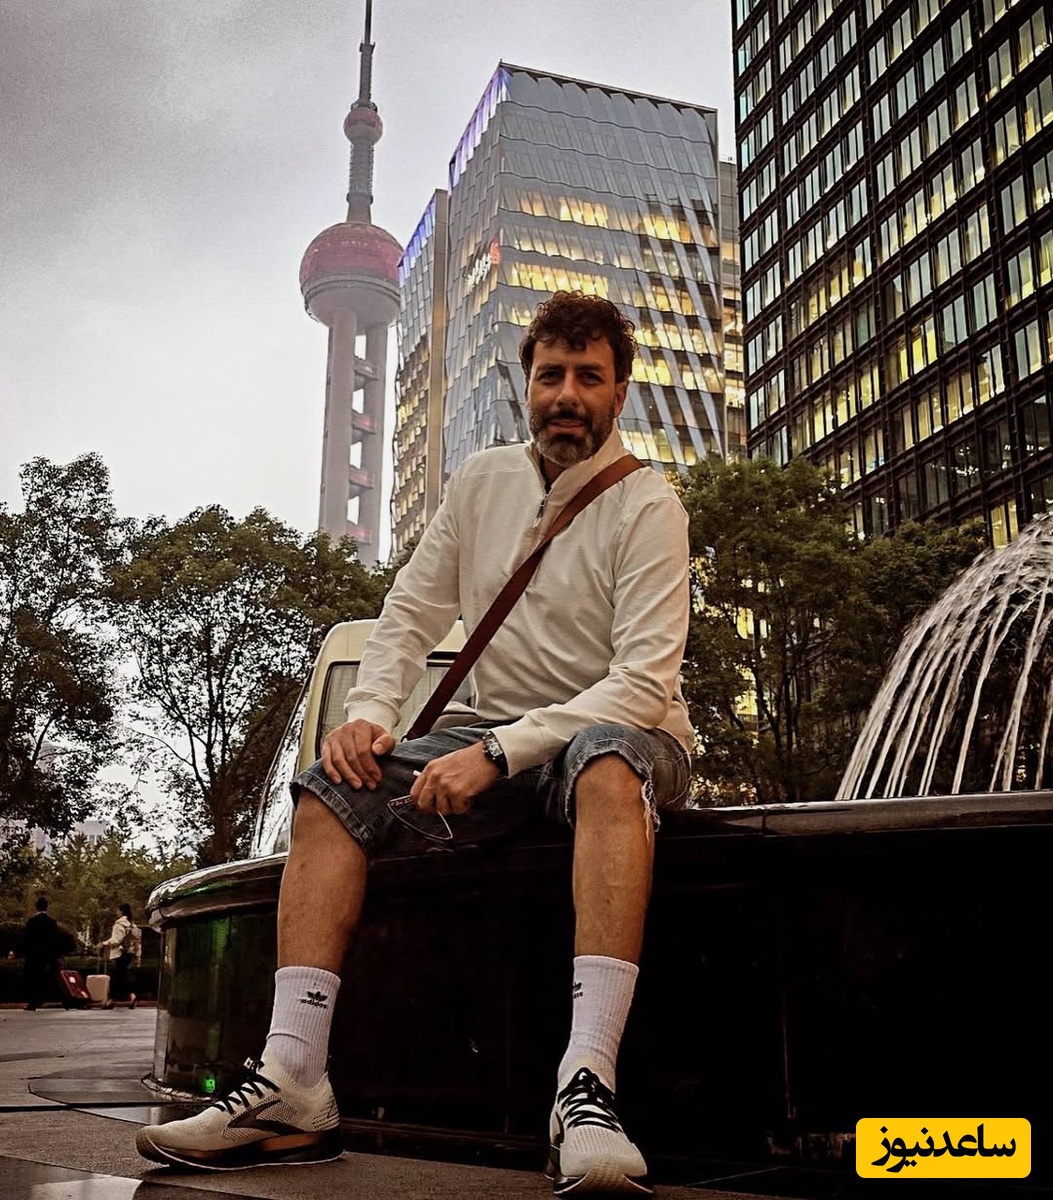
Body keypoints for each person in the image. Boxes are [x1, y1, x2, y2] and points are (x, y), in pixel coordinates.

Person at [137, 291, 694, 1194]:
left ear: (618, 393)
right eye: (550, 375)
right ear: (526, 385)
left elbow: (640, 684)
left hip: (628, 738)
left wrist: (496, 754)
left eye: (588, 378)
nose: (566, 395)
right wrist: (368, 714)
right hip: (495, 734)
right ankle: (293, 1079)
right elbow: (408, 613)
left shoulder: (649, 505)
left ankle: (585, 1089)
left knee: (603, 757)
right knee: (330, 787)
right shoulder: (482, 481)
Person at [98, 902, 140, 1009]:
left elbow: (116, 940)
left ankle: (111, 1000)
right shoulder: (132, 925)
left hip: (120, 954)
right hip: (129, 953)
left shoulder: (119, 924)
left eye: (118, 910)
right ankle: (130, 996)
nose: (117, 912)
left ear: (121, 911)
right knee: (122, 977)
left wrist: (104, 943)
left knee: (116, 978)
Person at [22, 896, 60, 1011]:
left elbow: (26, 938)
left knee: (32, 978)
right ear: (46, 907)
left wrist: (20, 951)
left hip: (33, 955)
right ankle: (41, 1000)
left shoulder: (32, 921)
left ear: (36, 907)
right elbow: (54, 940)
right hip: (47, 955)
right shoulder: (52, 922)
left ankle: (32, 1002)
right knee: (43, 978)